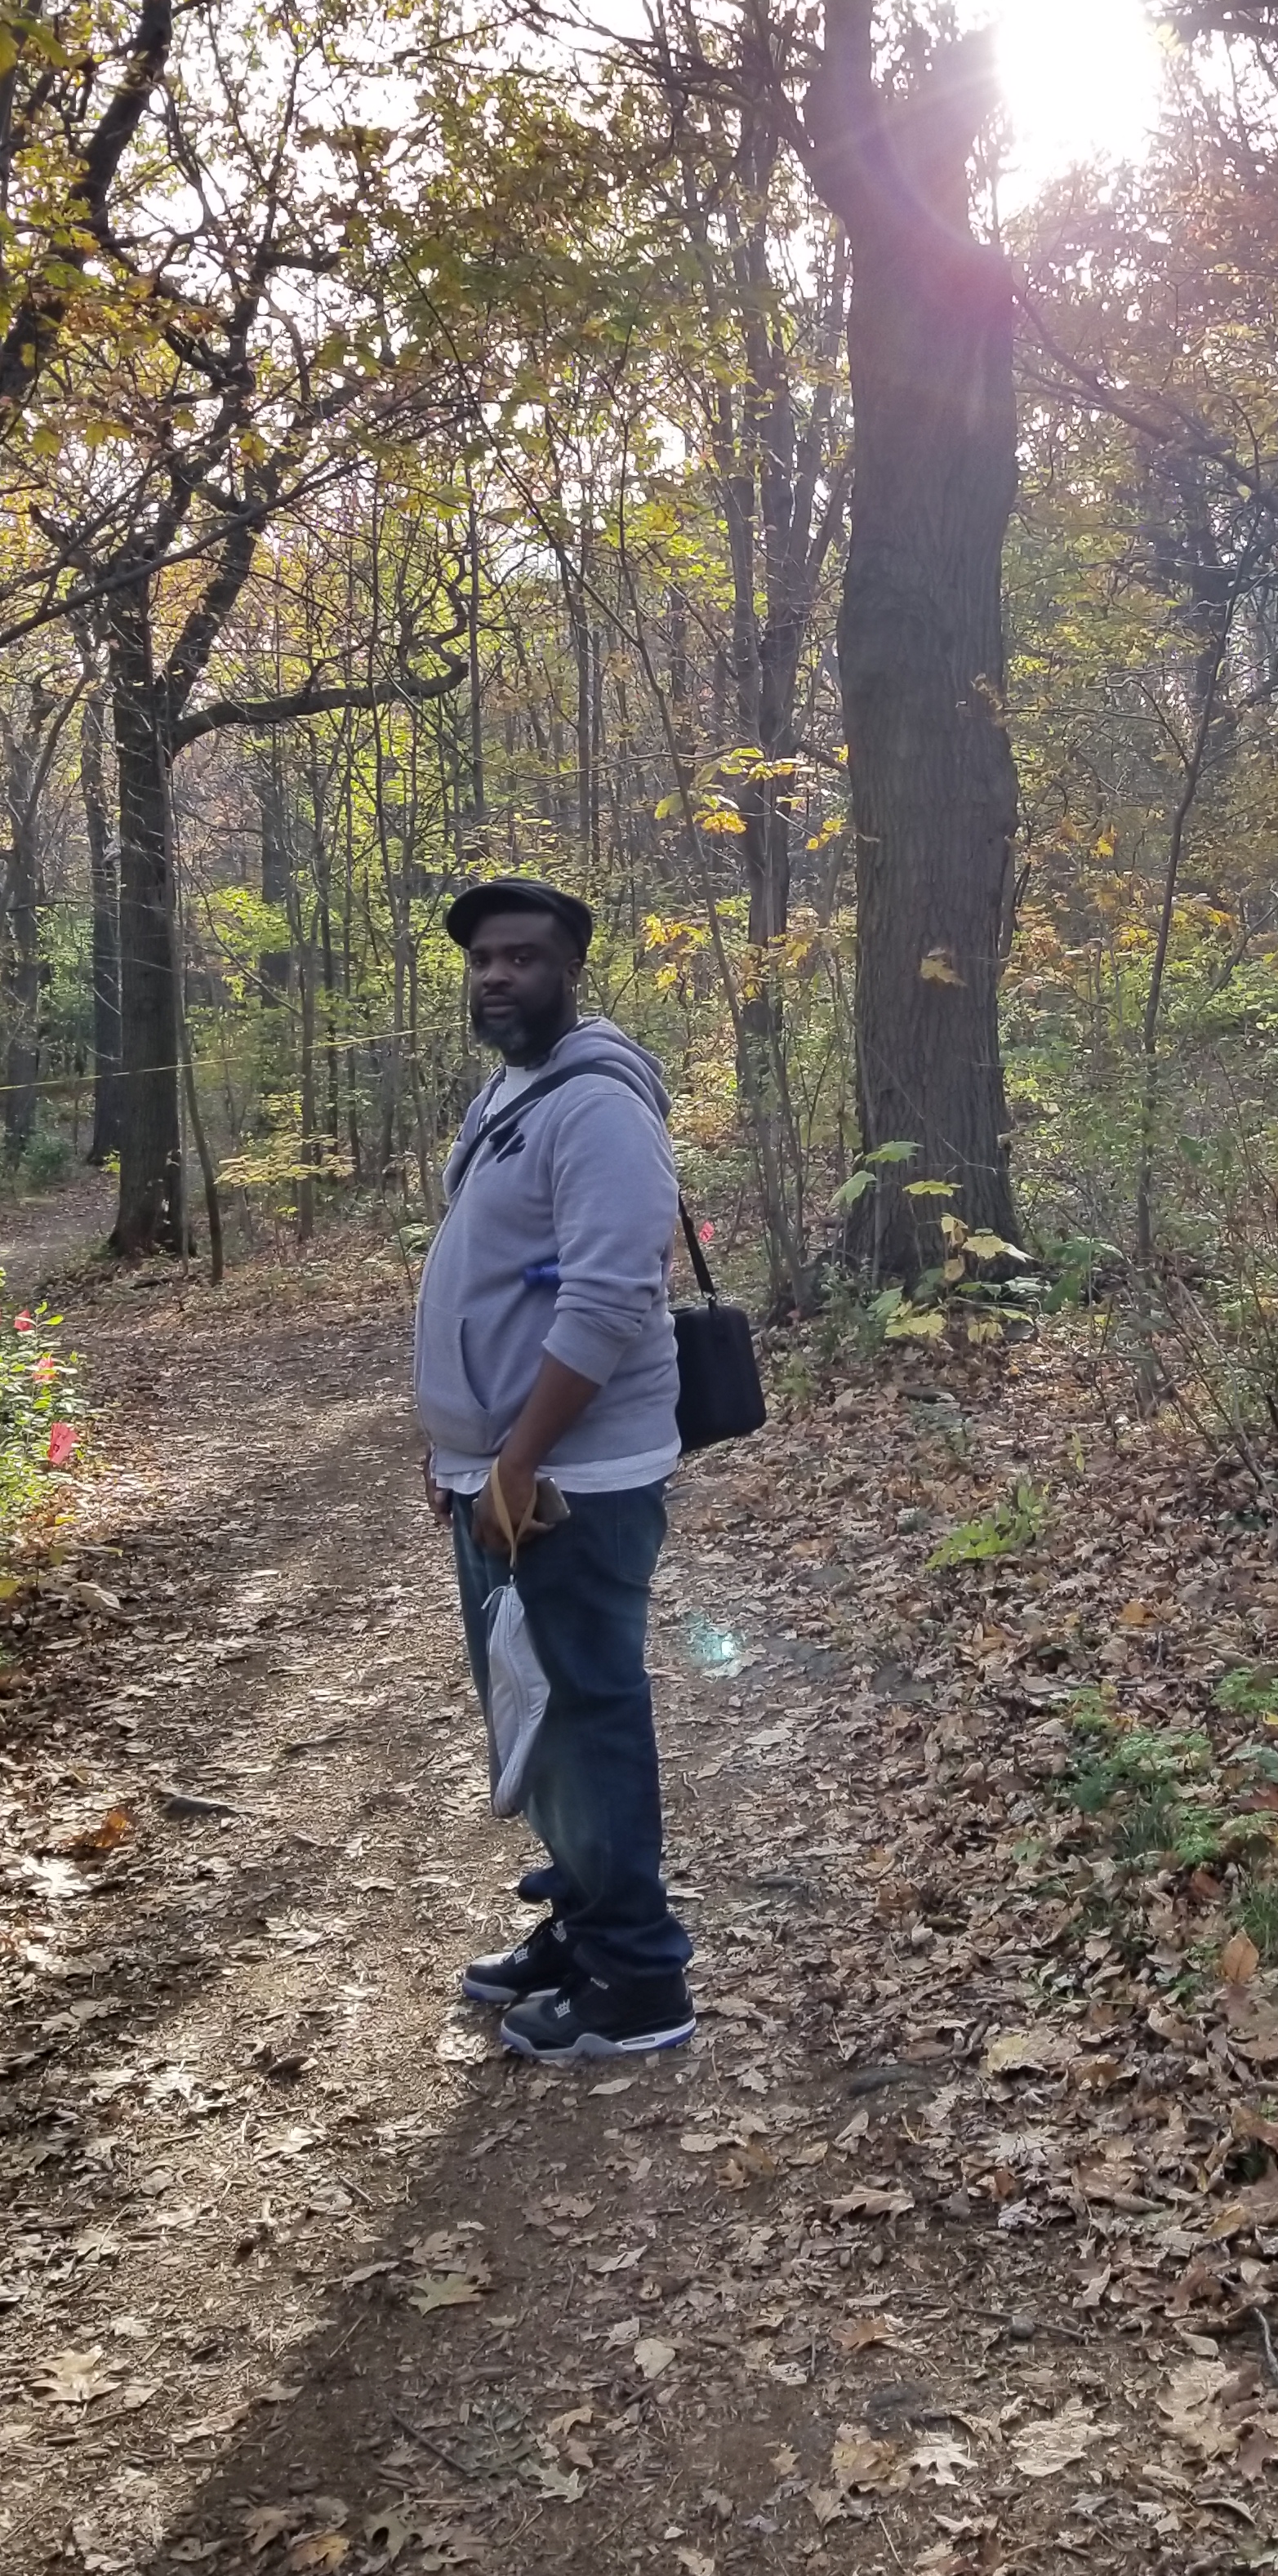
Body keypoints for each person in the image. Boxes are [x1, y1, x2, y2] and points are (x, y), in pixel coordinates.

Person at [414, 875, 695, 2063]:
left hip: (573, 1477)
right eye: (483, 959)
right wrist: (459, 1449)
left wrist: (520, 1459)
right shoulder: (509, 1094)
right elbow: (504, 1274)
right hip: (502, 1469)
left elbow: (613, 1296)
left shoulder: (599, 1107)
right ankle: (584, 1922)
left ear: (570, 970)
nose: (497, 976)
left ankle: (638, 1978)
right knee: (538, 1708)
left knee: (585, 1710)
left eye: (523, 958)